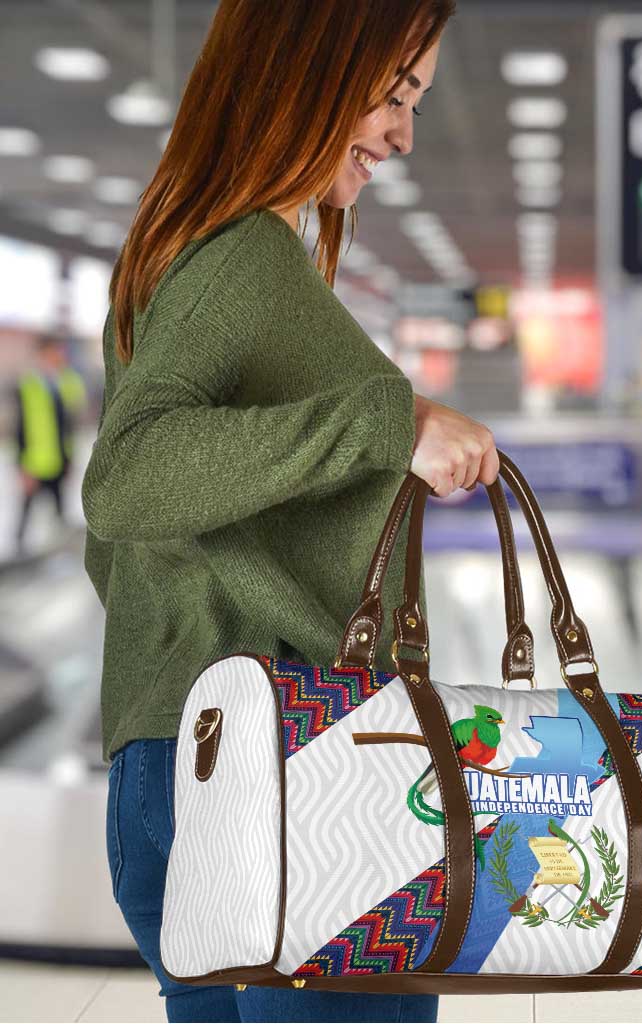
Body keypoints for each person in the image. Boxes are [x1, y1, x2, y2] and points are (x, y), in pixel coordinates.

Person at [80, 2, 497, 1021]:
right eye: (395, 94)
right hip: (291, 770)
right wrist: (384, 424)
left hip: (185, 754)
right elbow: (126, 477)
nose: (402, 133)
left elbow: (135, 536)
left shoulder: (187, 251)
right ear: (306, 65)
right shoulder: (240, 260)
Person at [11, 331, 85, 556]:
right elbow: (20, 428)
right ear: (43, 353)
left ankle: (59, 554)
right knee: (26, 512)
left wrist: (70, 458)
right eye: (54, 351)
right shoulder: (28, 385)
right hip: (35, 462)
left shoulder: (65, 381)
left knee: (60, 511)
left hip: (60, 459)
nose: (59, 355)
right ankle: (18, 554)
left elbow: (71, 419)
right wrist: (22, 466)